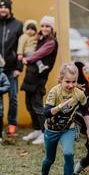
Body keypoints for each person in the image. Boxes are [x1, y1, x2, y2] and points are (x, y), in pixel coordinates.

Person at [39, 62, 89, 175]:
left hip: (68, 129)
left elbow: (85, 111)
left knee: (69, 153)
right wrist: (60, 107)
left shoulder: (78, 94)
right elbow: (46, 113)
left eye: (74, 82)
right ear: (61, 80)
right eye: (67, 81)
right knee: (49, 159)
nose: (71, 85)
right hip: (51, 130)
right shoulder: (54, 91)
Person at [0, 0, 23, 136]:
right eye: (1, 7)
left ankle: (12, 124)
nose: (3, 10)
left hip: (11, 69)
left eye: (5, 7)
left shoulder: (18, 25)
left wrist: (19, 68)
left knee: (13, 97)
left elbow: (21, 49)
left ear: (9, 9)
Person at [21, 16, 58, 144]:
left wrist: (28, 59)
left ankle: (44, 133)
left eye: (47, 26)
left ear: (52, 28)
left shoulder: (51, 42)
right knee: (29, 105)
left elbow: (38, 54)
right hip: (30, 76)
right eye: (42, 26)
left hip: (39, 78)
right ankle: (37, 129)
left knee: (37, 106)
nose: (44, 28)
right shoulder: (39, 38)